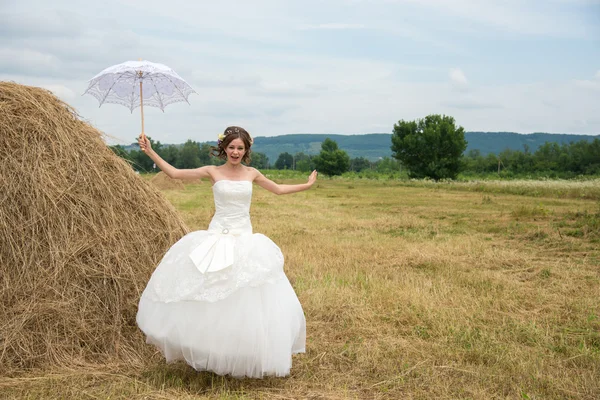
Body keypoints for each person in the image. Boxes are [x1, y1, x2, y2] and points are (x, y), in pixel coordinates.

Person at [135, 126, 317, 378]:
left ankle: (242, 352)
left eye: (240, 148)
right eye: (231, 147)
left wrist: (306, 185)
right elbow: (175, 174)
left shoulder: (252, 173)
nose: (235, 152)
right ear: (224, 148)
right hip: (216, 237)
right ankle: (209, 349)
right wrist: (150, 151)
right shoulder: (212, 171)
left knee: (245, 297)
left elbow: (278, 189)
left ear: (246, 150)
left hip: (244, 238)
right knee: (212, 295)